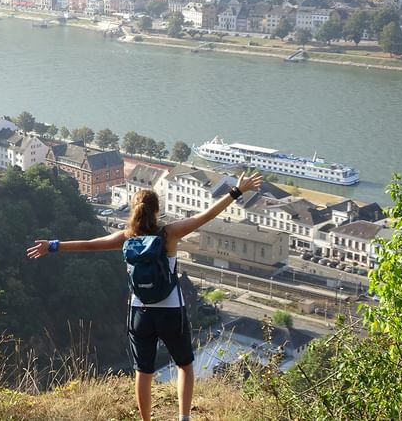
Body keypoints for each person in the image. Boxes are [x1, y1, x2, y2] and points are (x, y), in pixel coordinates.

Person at [27, 171, 263, 421]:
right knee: (184, 365)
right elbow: (207, 216)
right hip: (171, 310)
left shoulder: (126, 237)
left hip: (140, 312)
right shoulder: (169, 234)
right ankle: (183, 418)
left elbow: (89, 244)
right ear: (157, 210)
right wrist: (237, 191)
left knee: (144, 371)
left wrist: (52, 246)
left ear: (134, 210)